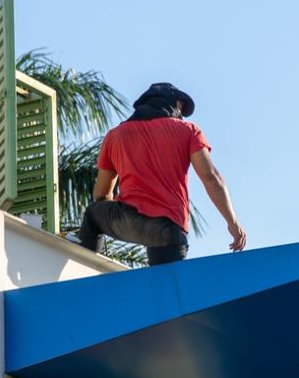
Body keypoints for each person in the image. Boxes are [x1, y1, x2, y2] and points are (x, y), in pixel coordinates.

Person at [76, 82, 246, 265]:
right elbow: (211, 177)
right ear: (174, 103)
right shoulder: (188, 131)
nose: (181, 114)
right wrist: (232, 222)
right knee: (169, 288)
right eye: (181, 107)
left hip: (127, 221)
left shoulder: (115, 135)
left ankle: (85, 271)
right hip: (168, 230)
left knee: (93, 214)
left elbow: (101, 194)